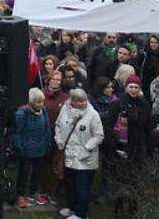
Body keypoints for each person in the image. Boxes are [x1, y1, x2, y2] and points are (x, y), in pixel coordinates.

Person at [54, 89, 103, 219]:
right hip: (68, 155)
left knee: (83, 188)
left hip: (85, 159)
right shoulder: (65, 109)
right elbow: (58, 125)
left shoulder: (93, 114)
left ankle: (82, 214)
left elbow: (98, 136)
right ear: (72, 101)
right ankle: (72, 207)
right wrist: (59, 140)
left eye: (84, 100)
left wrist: (86, 149)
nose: (83, 103)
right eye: (80, 101)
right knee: (70, 185)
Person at [11, 88, 51, 209]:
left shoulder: (43, 111)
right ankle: (20, 195)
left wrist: (47, 143)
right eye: (38, 102)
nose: (41, 104)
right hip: (26, 149)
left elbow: (47, 128)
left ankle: (34, 193)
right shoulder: (21, 113)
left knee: (37, 173)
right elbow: (16, 132)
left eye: (42, 102)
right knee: (23, 173)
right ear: (31, 102)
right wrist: (19, 147)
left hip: (40, 148)